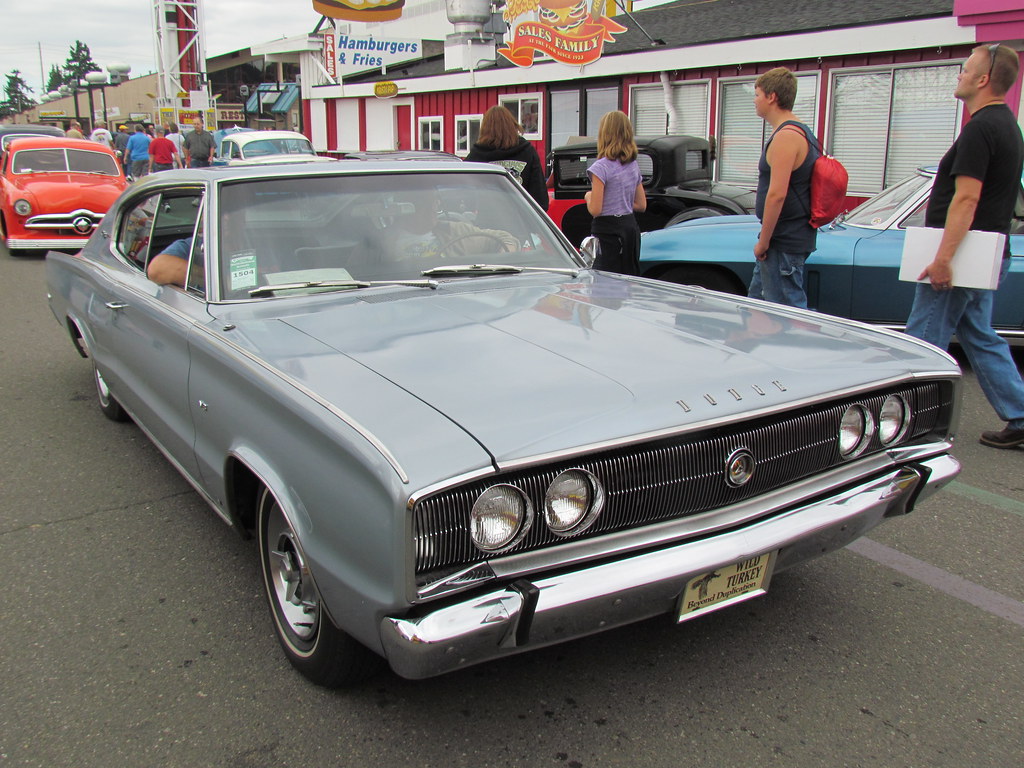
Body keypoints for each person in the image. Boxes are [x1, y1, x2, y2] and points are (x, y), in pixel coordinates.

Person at [904, 43, 1024, 449]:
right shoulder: (1007, 124)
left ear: (984, 79)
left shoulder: (980, 129)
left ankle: (908, 423)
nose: (959, 74)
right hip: (987, 253)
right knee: (979, 334)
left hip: (963, 256)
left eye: (966, 68)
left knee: (923, 339)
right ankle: (1021, 415)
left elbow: (967, 198)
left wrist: (943, 259)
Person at [748, 67, 818, 308]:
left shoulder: (787, 137)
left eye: (757, 94)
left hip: (783, 241)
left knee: (786, 317)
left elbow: (777, 195)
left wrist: (764, 241)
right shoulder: (802, 131)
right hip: (787, 238)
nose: (755, 101)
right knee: (758, 311)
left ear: (772, 97)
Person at [584, 110, 646, 275]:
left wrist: (588, 197)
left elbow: (596, 210)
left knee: (604, 282)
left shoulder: (600, 167)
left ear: (604, 134)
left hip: (607, 231)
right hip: (629, 229)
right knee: (628, 279)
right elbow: (641, 204)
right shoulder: (632, 165)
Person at [467, 105, 549, 211]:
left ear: (484, 128)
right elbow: (540, 200)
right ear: (512, 125)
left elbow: (464, 196)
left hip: (485, 223)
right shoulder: (528, 152)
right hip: (521, 222)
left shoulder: (476, 156)